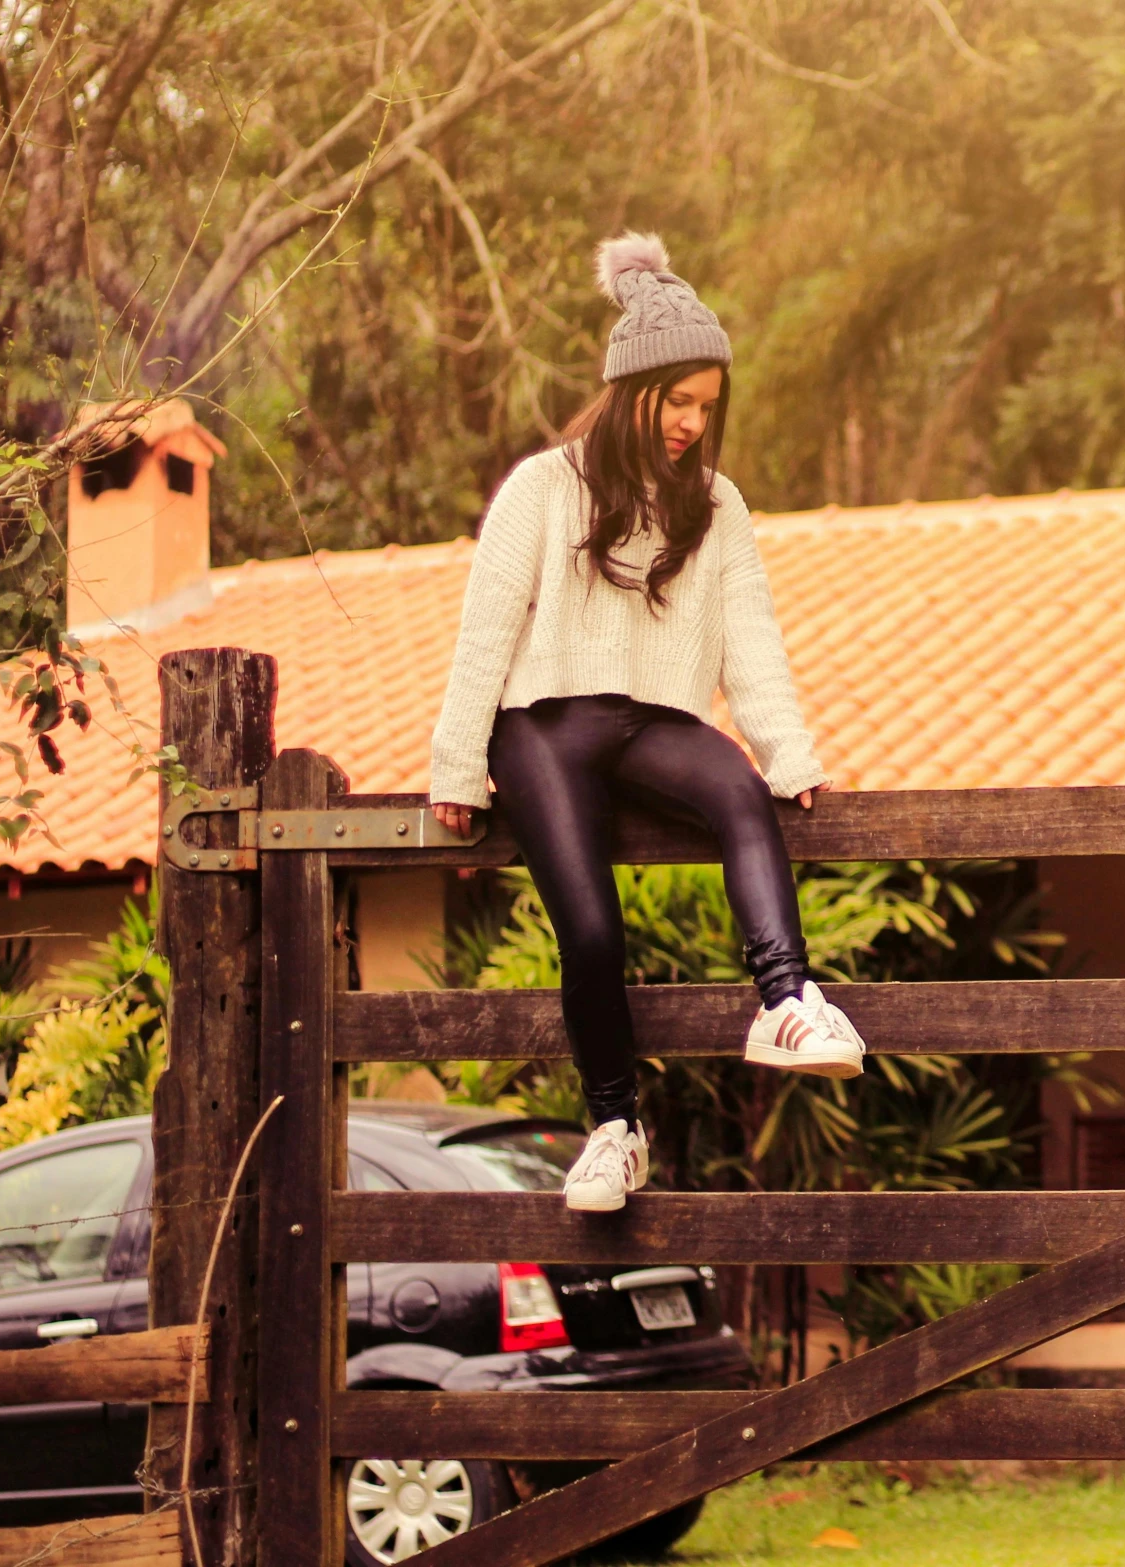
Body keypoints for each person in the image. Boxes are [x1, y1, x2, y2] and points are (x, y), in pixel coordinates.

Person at [427, 232, 864, 1213]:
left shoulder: (717, 505)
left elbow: (749, 639)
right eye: (678, 402)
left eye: (706, 407)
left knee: (739, 797)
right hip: (539, 727)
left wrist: (789, 752)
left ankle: (788, 1003)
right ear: (633, 391)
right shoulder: (543, 488)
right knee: (590, 932)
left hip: (652, 722)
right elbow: (485, 627)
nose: (691, 423)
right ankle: (615, 1127)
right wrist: (457, 766)